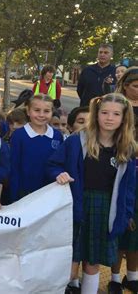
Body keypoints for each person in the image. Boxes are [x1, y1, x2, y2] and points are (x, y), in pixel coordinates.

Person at [49, 93, 136, 294]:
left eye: (116, 114)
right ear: (96, 114)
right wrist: (59, 174)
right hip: (76, 205)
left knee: (92, 263)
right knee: (69, 266)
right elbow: (53, 164)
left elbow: (128, 188)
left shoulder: (126, 149)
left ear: (124, 118)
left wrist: (127, 213)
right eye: (104, 112)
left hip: (106, 209)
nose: (109, 118)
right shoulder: (76, 141)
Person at [109, 67, 138, 293]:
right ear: (126, 85)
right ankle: (115, 277)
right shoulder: (118, 107)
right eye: (135, 85)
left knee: (136, 228)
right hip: (123, 167)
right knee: (121, 223)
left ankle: (133, 275)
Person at [9, 94, 63, 202]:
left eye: (46, 111)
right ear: (28, 111)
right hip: (24, 192)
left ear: (52, 112)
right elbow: (14, 168)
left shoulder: (57, 136)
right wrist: (14, 197)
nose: (41, 115)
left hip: (49, 191)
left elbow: (59, 164)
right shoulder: (19, 135)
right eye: (37, 110)